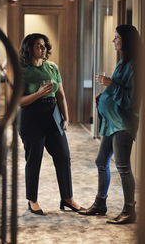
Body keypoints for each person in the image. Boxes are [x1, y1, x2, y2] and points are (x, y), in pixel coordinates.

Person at [78, 25, 140, 224]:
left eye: (117, 37)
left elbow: (132, 100)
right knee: (101, 161)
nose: (114, 41)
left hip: (123, 123)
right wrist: (104, 93)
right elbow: (118, 87)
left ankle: (129, 210)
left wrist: (110, 85)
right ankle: (100, 203)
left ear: (126, 41)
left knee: (122, 166)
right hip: (112, 121)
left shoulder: (136, 65)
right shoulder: (123, 62)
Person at [19, 33, 80, 215]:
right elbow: (19, 101)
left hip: (52, 115)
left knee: (63, 156)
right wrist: (38, 93)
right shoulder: (22, 70)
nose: (43, 48)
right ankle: (33, 200)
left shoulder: (52, 67)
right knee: (34, 159)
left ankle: (67, 198)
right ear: (29, 49)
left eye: (44, 45)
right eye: (38, 45)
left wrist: (66, 117)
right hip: (31, 118)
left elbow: (60, 94)